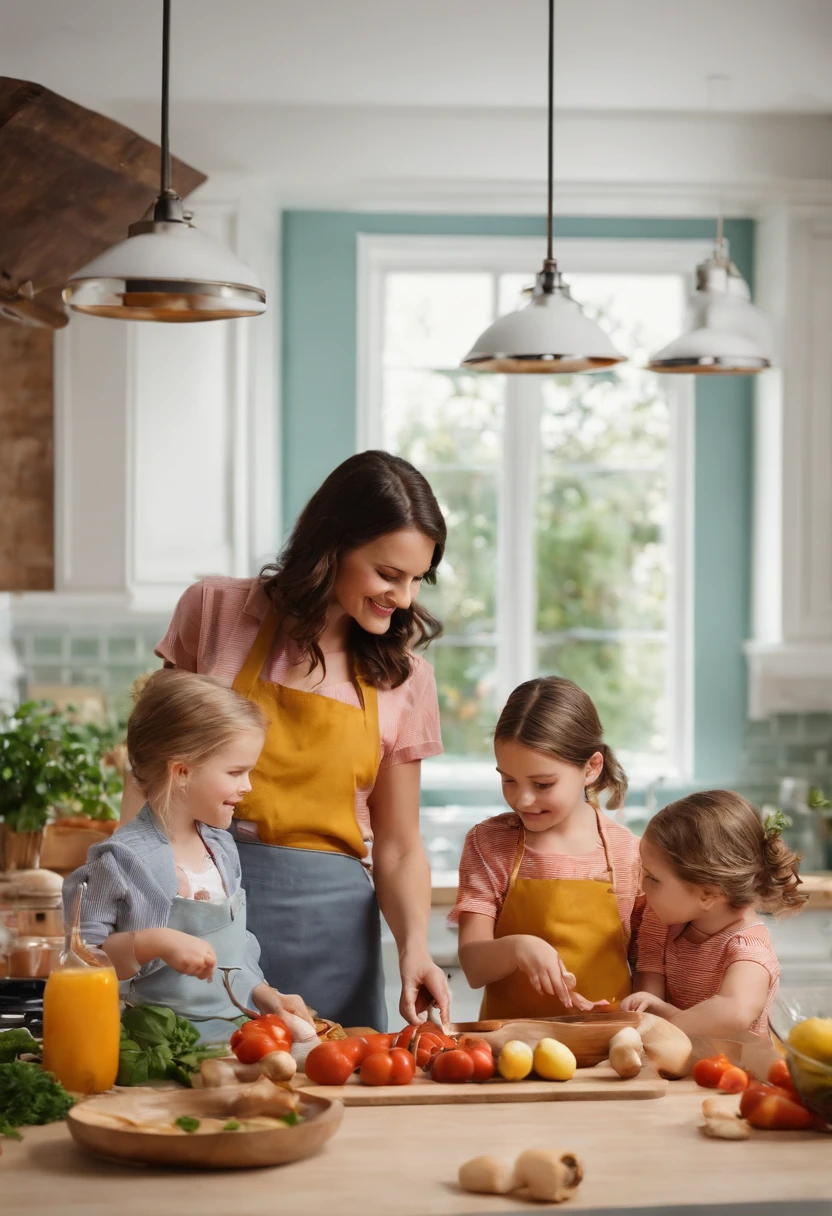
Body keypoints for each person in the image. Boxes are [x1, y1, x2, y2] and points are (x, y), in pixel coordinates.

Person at [120, 451, 450, 1031]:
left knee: (333, 1090)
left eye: (417, 579)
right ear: (333, 546)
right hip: (203, 909)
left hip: (334, 934)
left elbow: (398, 844)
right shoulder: (217, 610)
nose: (402, 597)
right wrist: (135, 896)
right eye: (388, 573)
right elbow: (149, 766)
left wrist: (415, 947)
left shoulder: (406, 678)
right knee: (195, 1084)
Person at [64, 670, 315, 1043]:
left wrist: (267, 998)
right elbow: (79, 959)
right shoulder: (117, 859)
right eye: (235, 771)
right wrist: (156, 942)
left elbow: (234, 950)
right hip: (153, 1052)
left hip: (232, 1043)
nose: (247, 786)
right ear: (181, 772)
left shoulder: (223, 850)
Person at [451, 677, 642, 1018]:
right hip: (510, 1053)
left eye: (542, 784)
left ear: (591, 768)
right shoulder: (489, 844)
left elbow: (651, 970)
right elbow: (474, 967)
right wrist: (517, 949)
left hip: (608, 1048)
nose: (522, 799)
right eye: (508, 779)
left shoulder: (630, 854)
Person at [622, 791, 806, 1037]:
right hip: (674, 1068)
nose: (643, 886)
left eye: (653, 878)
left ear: (708, 894)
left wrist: (661, 1022)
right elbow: (646, 1000)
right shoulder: (660, 920)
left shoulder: (748, 949)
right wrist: (650, 1015)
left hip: (735, 1072)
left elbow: (735, 1011)